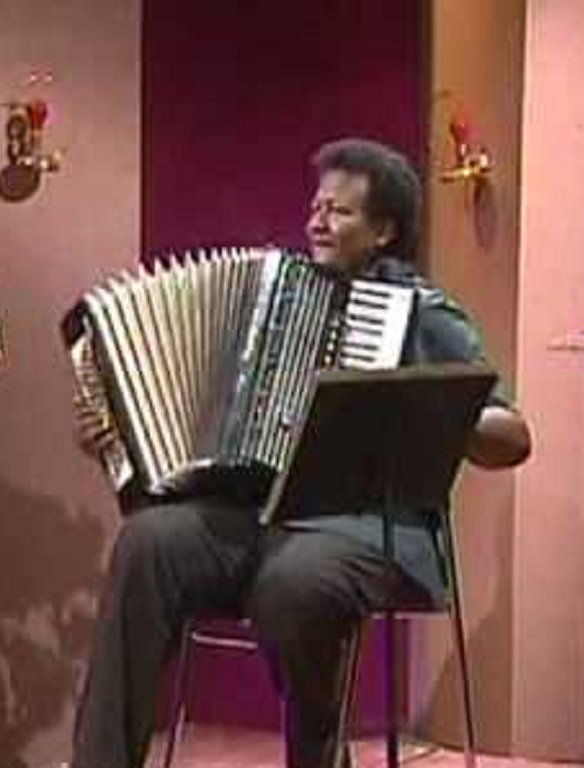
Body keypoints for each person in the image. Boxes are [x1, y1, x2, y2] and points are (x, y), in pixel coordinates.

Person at [67, 138, 532, 768]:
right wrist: (116, 434)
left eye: (340, 211)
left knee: (292, 582)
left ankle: (319, 757)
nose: (318, 221)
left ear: (384, 231)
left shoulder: (420, 313)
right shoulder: (276, 293)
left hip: (370, 528)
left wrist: (435, 409)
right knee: (148, 543)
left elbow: (512, 436)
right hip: (261, 517)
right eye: (317, 207)